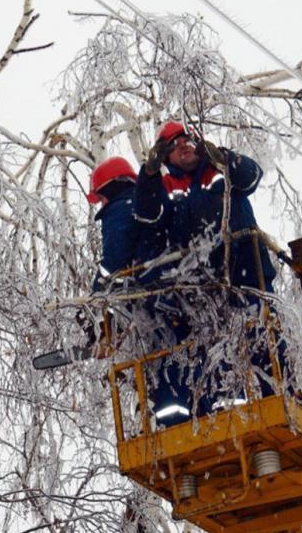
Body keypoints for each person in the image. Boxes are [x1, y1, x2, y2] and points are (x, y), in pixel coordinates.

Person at [132, 121, 284, 426]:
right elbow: (148, 215)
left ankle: (281, 403)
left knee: (264, 342)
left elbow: (252, 176)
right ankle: (223, 415)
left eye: (188, 141)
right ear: (164, 158)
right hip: (206, 291)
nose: (183, 147)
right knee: (212, 356)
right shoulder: (166, 190)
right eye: (173, 146)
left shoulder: (221, 171)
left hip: (246, 277)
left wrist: (224, 156)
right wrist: (148, 175)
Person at [87, 156, 139, 292]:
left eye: (101, 198)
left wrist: (97, 291)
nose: (102, 204)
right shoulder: (144, 203)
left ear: (111, 188)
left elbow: (114, 257)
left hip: (145, 288)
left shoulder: (118, 210)